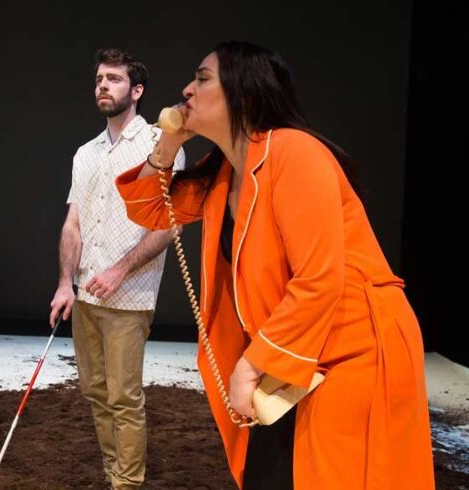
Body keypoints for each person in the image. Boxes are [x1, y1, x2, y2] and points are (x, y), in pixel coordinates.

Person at [115, 41, 434, 489]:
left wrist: (249, 366)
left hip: (352, 347)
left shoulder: (296, 152)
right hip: (293, 352)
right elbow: (150, 209)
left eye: (203, 79)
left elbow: (319, 278)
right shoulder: (223, 173)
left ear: (245, 95)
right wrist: (168, 143)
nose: (186, 89)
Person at [49, 48, 185, 489]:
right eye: (99, 80)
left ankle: (127, 484)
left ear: (137, 90)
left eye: (114, 79)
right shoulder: (85, 153)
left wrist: (119, 271)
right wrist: (65, 284)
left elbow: (168, 225)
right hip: (86, 294)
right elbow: (73, 224)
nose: (103, 86)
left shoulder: (160, 145)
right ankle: (114, 474)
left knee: (123, 397)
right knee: (95, 392)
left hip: (131, 295)